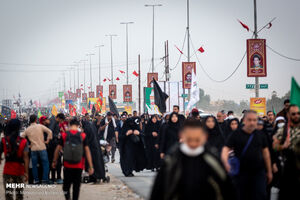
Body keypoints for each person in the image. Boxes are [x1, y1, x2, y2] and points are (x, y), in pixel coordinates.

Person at [150, 119, 236, 200]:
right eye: (189, 139)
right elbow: (158, 191)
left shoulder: (213, 160)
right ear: (181, 136)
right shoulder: (172, 160)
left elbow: (227, 190)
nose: (193, 144)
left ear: (205, 137)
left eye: (197, 140)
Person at [221, 110, 272, 200]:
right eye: (249, 120)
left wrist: (269, 171)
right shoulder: (236, 134)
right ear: (244, 120)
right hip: (241, 173)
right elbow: (225, 149)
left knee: (260, 195)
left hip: (258, 172)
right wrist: (226, 163)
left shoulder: (260, 135)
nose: (252, 122)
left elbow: (266, 153)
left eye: (254, 120)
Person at [52, 118, 94, 200]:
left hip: (67, 165)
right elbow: (87, 151)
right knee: (76, 187)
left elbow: (57, 149)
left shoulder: (64, 135)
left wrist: (54, 161)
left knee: (66, 187)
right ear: (78, 125)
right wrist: (91, 166)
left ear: (69, 125)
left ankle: (68, 198)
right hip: (79, 166)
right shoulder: (83, 135)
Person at [273, 105, 300, 200]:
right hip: (288, 170)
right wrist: (283, 146)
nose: (296, 116)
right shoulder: (284, 130)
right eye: (293, 114)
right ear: (288, 115)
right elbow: (274, 146)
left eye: (298, 113)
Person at [0, 119, 29, 200]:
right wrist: (26, 173)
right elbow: (26, 158)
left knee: (8, 195)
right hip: (19, 172)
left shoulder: (4, 140)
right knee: (19, 195)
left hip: (7, 171)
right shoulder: (24, 141)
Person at [23, 114, 52, 184]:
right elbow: (50, 132)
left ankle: (36, 180)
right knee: (46, 164)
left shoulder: (28, 129)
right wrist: (48, 140)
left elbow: (22, 137)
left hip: (33, 148)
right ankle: (45, 180)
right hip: (42, 147)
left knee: (34, 165)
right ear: (36, 119)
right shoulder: (40, 126)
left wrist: (27, 145)